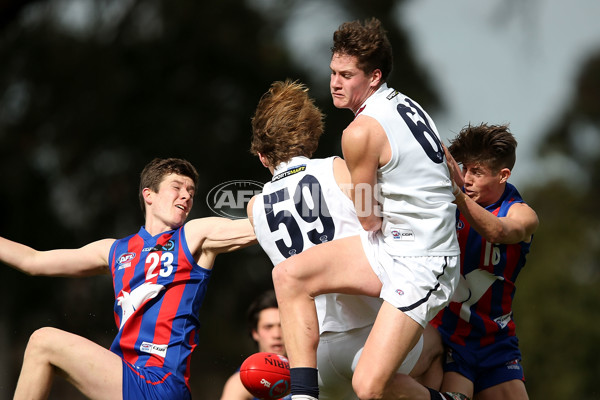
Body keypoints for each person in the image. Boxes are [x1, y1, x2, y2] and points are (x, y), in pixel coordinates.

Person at [269, 19, 465, 400]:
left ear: (374, 77)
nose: (335, 83)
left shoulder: (357, 133)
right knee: (289, 275)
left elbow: (367, 217)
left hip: (423, 260)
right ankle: (304, 395)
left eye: (347, 75)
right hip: (389, 245)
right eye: (332, 72)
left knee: (367, 385)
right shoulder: (407, 103)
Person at [247, 80, 447, 400]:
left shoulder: (255, 207)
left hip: (312, 355)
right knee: (438, 346)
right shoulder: (336, 170)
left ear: (261, 156)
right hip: (369, 333)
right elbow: (375, 216)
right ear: (311, 138)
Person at [1, 157, 256, 400]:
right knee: (43, 345)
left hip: (159, 384)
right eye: (177, 187)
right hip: (127, 376)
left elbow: (256, 227)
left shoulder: (193, 235)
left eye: (191, 191)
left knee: (43, 342)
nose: (187, 195)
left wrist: (280, 201)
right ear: (149, 195)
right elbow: (32, 261)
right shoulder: (115, 250)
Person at [431, 124, 538, 400]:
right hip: (446, 336)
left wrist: (457, 196)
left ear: (503, 175)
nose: (466, 179)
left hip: (496, 341)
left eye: (477, 172)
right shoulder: (449, 199)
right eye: (465, 169)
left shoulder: (522, 215)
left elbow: (498, 231)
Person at [220, 289, 291, 400]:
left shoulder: (312, 373)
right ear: (255, 332)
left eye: (282, 326)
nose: (277, 335)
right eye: (268, 327)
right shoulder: (241, 383)